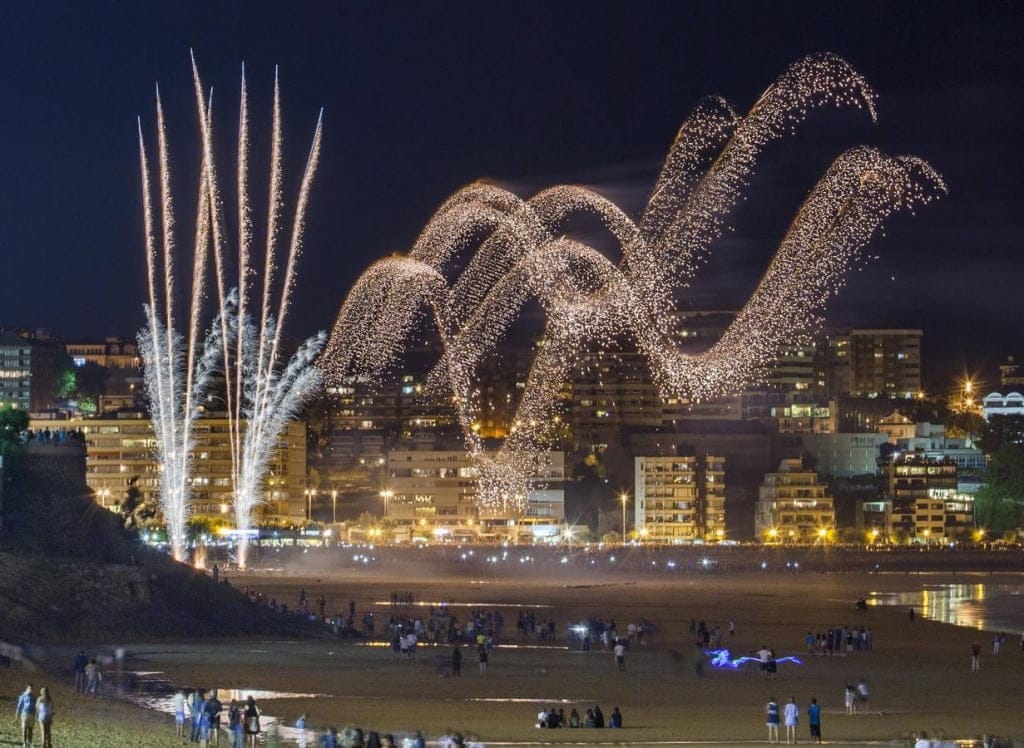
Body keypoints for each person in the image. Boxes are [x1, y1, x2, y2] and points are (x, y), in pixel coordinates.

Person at [15, 684, 36, 748]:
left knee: (30, 729)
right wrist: (17, 715)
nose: (31, 690)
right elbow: (19, 706)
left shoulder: (33, 697)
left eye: (32, 689)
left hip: (32, 714)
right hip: (24, 714)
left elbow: (36, 705)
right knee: (24, 728)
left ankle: (30, 742)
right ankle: (24, 743)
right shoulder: (23, 696)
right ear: (26, 689)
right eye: (30, 688)